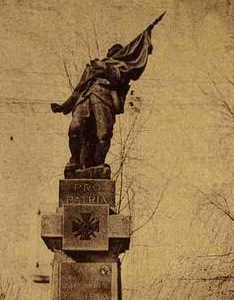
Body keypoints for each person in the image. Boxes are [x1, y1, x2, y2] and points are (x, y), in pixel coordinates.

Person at [51, 12, 164, 178]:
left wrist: (105, 69)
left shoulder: (120, 67)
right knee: (74, 128)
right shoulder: (93, 66)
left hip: (104, 98)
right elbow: (78, 89)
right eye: (113, 51)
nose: (114, 53)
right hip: (85, 97)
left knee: (103, 135)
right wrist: (64, 105)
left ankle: (97, 166)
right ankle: (74, 161)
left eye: (118, 51)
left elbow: (118, 78)